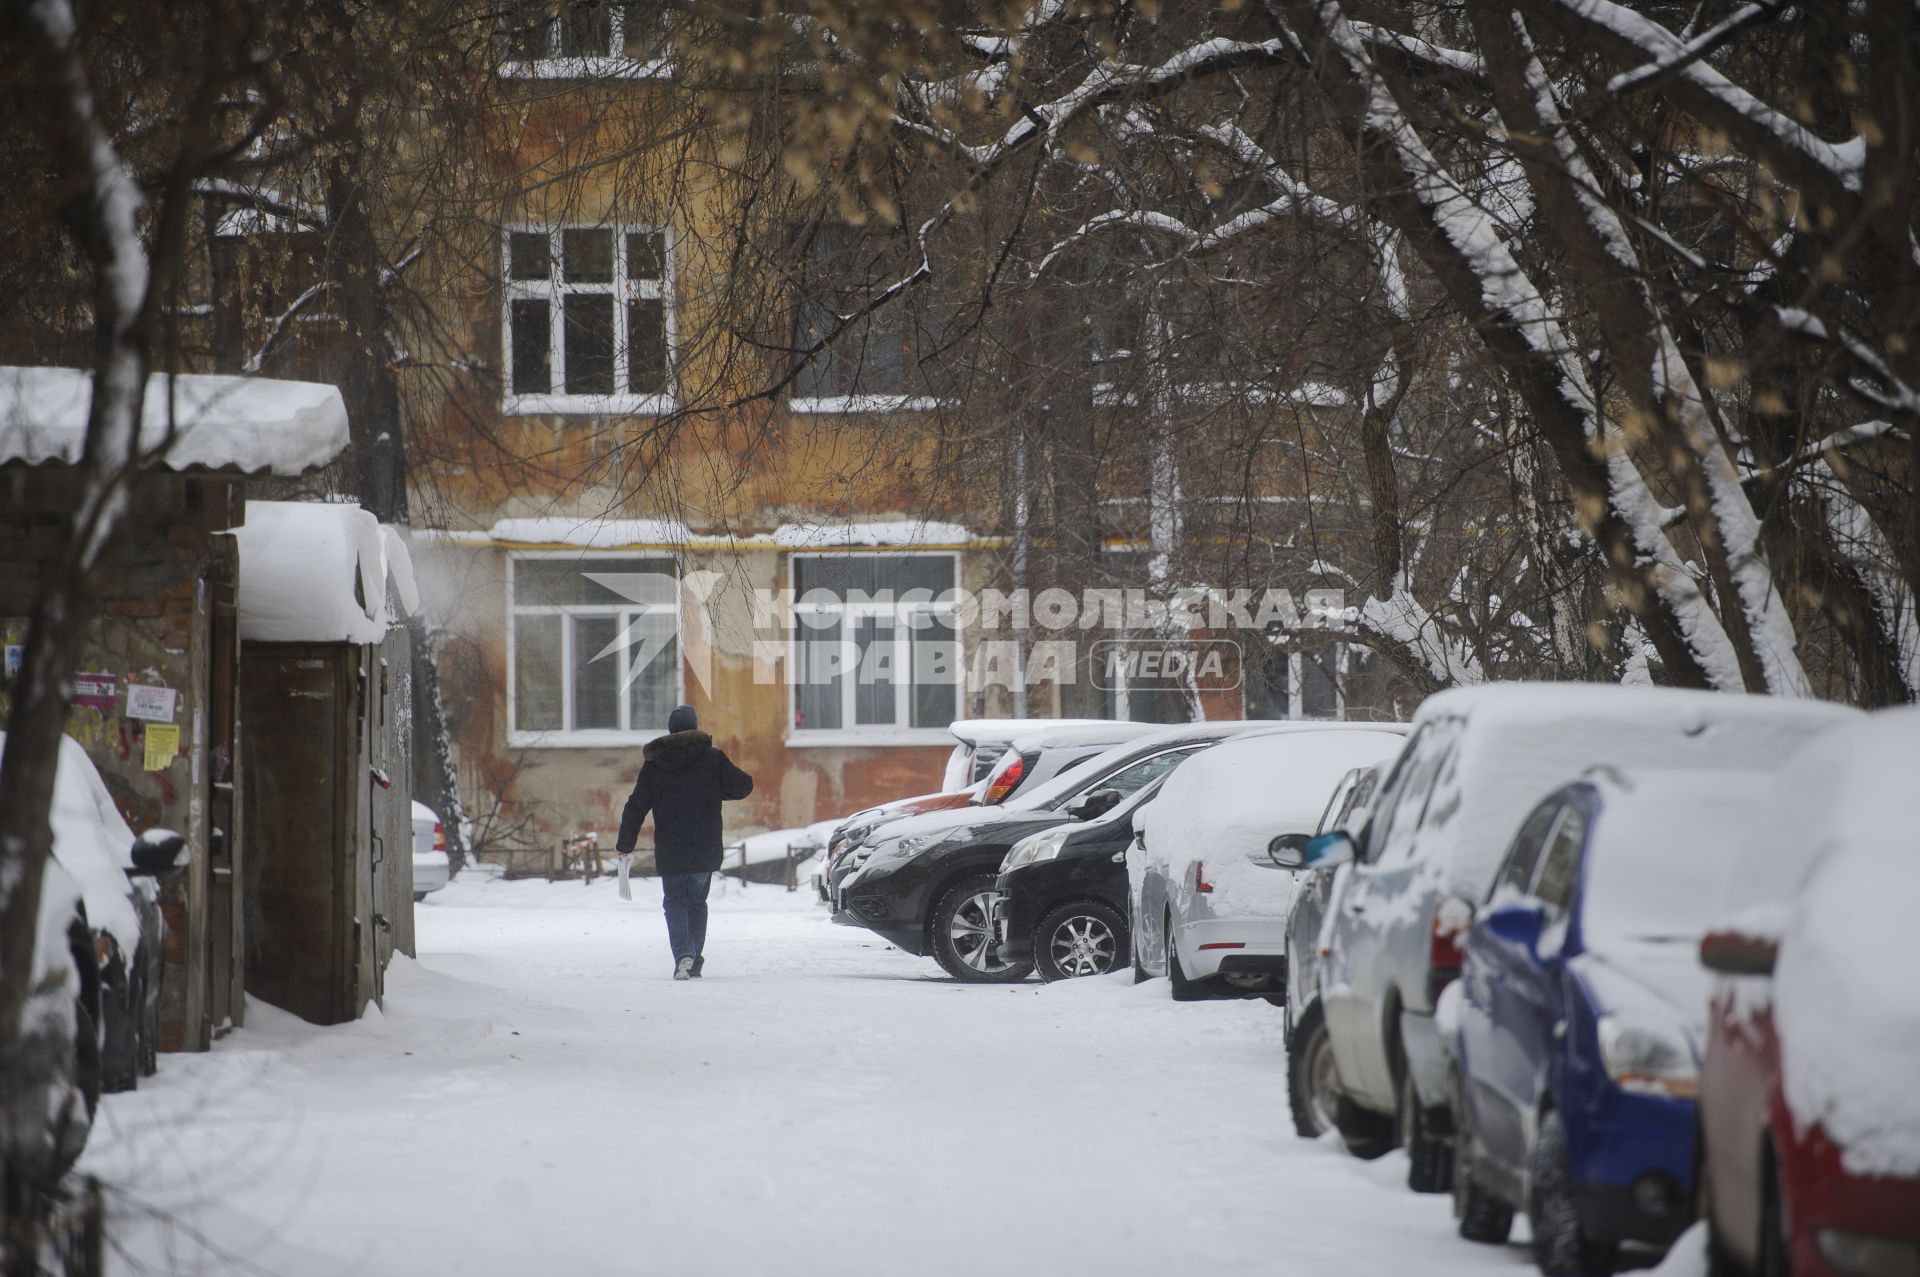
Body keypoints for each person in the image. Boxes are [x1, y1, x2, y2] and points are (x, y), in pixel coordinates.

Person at [615, 704, 754, 980]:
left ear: (670, 730)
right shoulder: (712, 758)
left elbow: (636, 806)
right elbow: (743, 786)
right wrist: (713, 790)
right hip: (704, 846)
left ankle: (683, 955)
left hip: (672, 847)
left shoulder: (655, 764)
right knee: (696, 903)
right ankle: (694, 960)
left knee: (675, 901)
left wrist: (624, 844)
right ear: (694, 727)